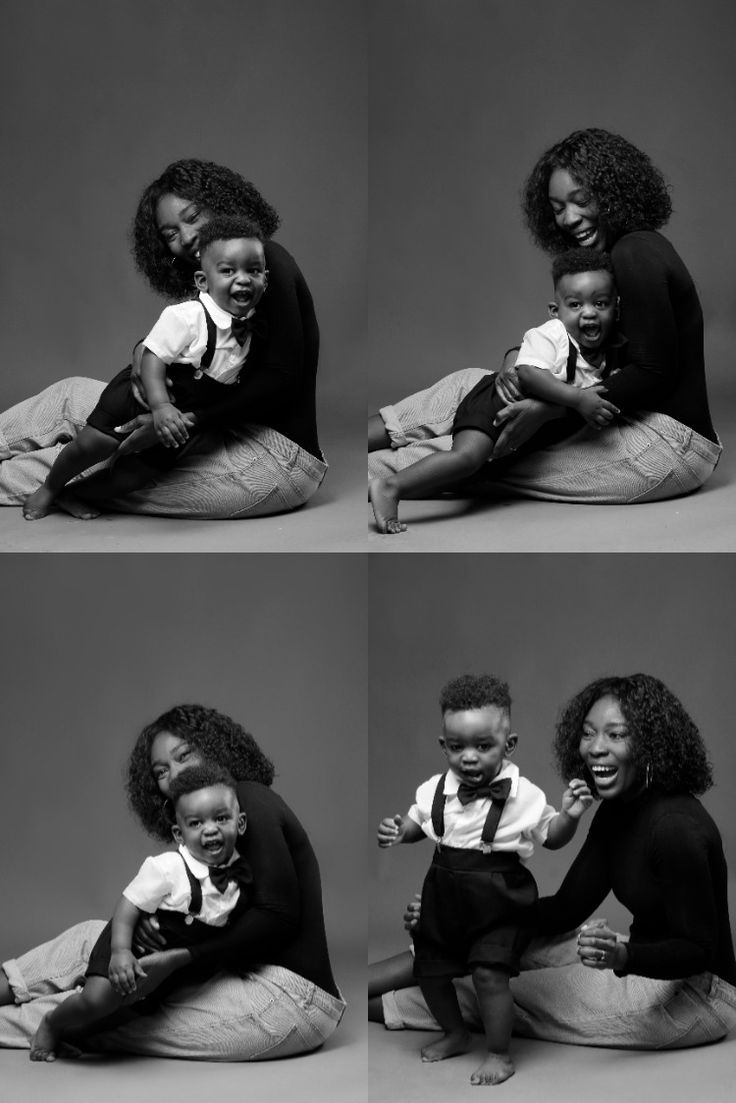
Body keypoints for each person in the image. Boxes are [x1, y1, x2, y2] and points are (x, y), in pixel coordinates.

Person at [370, 674, 736, 1053]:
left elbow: (699, 950)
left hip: (694, 995)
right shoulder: (617, 811)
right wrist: (453, 915)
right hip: (637, 956)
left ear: (651, 744)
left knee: (493, 986)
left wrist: (624, 956)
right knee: (486, 942)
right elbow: (565, 910)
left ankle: (377, 1007)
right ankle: (375, 980)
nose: (595, 748)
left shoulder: (676, 828)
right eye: (589, 733)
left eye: (615, 735)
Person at [369, 129, 721, 508]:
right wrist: (516, 360)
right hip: (629, 422)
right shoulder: (614, 258)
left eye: (581, 200)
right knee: (470, 385)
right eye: (557, 208)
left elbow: (653, 373)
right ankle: (374, 451)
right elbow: (578, 345)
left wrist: (552, 408)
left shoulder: (635, 253)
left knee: (487, 454)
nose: (569, 218)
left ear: (615, 193)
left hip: (664, 444)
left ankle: (377, 475)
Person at [0, 704, 345, 1060]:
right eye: (162, 771)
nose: (175, 773)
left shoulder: (250, 800)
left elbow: (278, 917)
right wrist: (167, 926)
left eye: (185, 755)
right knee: (96, 937)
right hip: (241, 976)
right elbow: (220, 914)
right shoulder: (209, 832)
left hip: (288, 1000)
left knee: (108, 1013)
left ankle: (46, 1024)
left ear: (215, 748)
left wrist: (181, 956)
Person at [0, 159, 326, 519]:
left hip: (274, 459)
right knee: (70, 394)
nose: (186, 237)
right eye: (170, 234)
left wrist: (176, 422)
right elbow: (190, 337)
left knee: (94, 467)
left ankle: (50, 489)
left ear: (222, 204)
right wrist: (144, 350)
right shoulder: (214, 282)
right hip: (212, 428)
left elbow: (278, 382)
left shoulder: (264, 264)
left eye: (193, 216)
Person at [377, 674, 592, 1084]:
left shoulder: (522, 794)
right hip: (444, 895)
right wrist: (399, 831)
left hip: (499, 900)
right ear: (443, 746)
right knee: (431, 969)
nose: (469, 758)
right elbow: (418, 822)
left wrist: (569, 816)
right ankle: (455, 1033)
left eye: (483, 746)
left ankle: (499, 1053)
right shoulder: (435, 788)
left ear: (508, 745)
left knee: (489, 974)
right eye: (457, 748)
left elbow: (551, 839)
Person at [23, 217, 269, 521]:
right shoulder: (188, 316)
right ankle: (50, 486)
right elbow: (152, 357)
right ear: (203, 281)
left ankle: (74, 494)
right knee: (90, 447)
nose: (243, 279)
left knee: (131, 479)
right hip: (140, 398)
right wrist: (161, 405)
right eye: (228, 271)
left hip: (180, 422)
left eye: (253, 271)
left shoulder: (256, 325)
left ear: (265, 280)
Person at [369, 250, 621, 533]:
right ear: (555, 311)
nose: (588, 313)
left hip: (515, 429)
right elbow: (529, 373)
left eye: (600, 303)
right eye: (575, 305)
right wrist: (577, 400)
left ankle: (388, 475)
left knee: (469, 470)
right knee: (466, 459)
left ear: (616, 307)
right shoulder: (553, 335)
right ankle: (391, 487)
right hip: (494, 404)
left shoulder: (604, 354)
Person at [30, 763, 252, 1061]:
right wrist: (120, 951)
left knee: (122, 1015)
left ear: (240, 823)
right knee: (98, 999)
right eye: (196, 823)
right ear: (179, 833)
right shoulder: (169, 867)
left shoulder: (241, 874)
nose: (210, 829)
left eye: (221, 818)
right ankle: (50, 1023)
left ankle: (72, 1033)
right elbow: (129, 903)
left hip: (167, 968)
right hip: (130, 945)